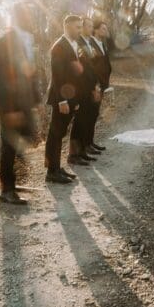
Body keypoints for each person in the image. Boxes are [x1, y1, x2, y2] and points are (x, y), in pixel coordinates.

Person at [0, 3, 41, 204]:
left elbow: (29, 72)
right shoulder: (6, 41)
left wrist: (35, 99)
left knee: (23, 139)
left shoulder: (27, 39)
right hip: (9, 102)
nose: (31, 17)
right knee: (9, 145)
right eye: (28, 14)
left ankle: (10, 181)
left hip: (24, 99)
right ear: (19, 16)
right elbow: (5, 77)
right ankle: (6, 191)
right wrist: (10, 109)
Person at [44, 15, 83, 183]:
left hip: (70, 97)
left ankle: (56, 167)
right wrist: (62, 101)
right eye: (77, 27)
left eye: (81, 27)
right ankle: (51, 172)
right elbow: (58, 76)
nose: (80, 30)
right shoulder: (59, 46)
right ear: (66, 27)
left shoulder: (73, 44)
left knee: (60, 133)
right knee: (55, 133)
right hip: (61, 98)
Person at [68, 17, 101, 165]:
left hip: (90, 87)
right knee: (79, 122)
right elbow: (81, 70)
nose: (87, 29)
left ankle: (82, 151)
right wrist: (89, 87)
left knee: (86, 120)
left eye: (85, 26)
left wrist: (96, 85)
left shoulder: (89, 43)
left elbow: (93, 67)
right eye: (83, 26)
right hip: (82, 89)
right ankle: (74, 154)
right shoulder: (78, 43)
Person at [88, 19, 112, 151]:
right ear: (95, 30)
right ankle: (85, 146)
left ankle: (90, 143)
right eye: (103, 28)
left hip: (101, 85)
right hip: (93, 86)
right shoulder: (90, 43)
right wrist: (95, 85)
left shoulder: (102, 44)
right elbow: (91, 68)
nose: (106, 31)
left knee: (94, 114)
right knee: (89, 115)